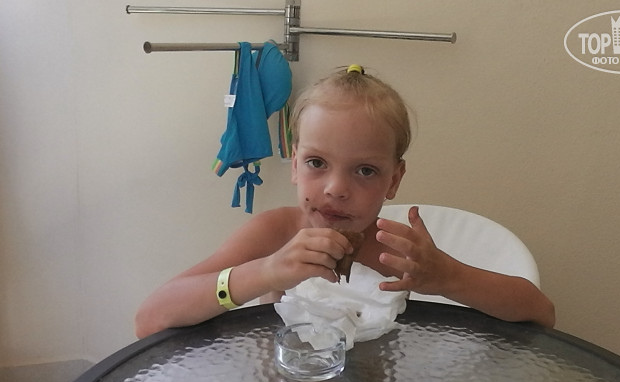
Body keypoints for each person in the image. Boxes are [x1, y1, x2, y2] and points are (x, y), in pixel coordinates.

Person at [134, 65, 555, 339]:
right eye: (317, 163)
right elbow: (150, 318)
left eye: (365, 170)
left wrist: (448, 276)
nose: (336, 188)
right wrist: (264, 272)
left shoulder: (396, 252)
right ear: (295, 164)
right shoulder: (274, 234)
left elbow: (540, 314)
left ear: (394, 180)